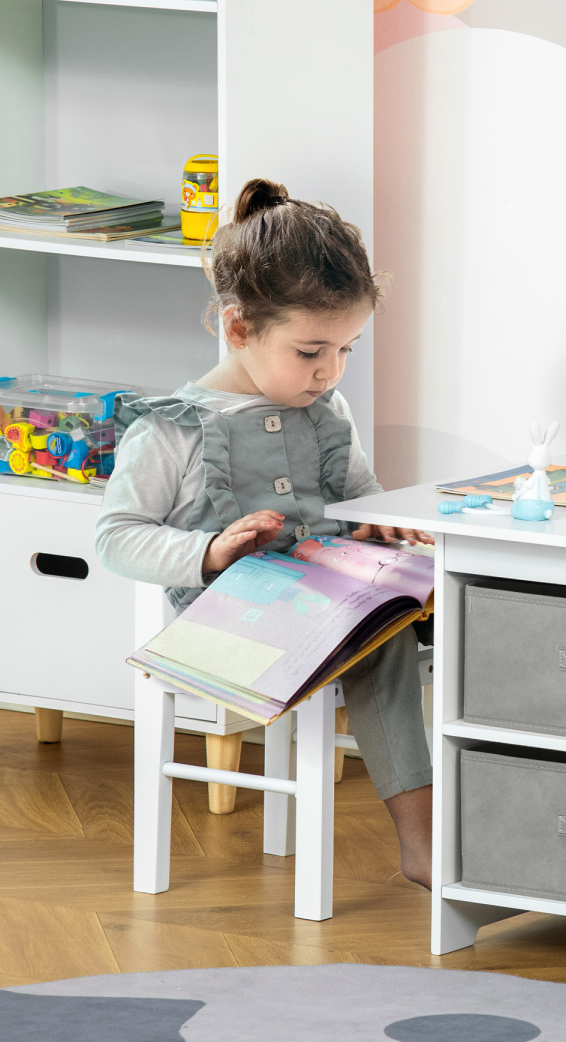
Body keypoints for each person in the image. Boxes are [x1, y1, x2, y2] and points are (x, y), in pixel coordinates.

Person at [95, 178, 433, 887]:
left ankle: (493, 814)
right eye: (312, 351)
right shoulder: (173, 426)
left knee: (428, 615)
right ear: (239, 328)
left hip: (324, 600)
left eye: (347, 350)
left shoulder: (326, 411)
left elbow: (358, 494)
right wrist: (208, 552)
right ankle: (423, 839)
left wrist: (381, 523)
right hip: (227, 623)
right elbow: (117, 536)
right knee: (384, 644)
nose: (330, 372)